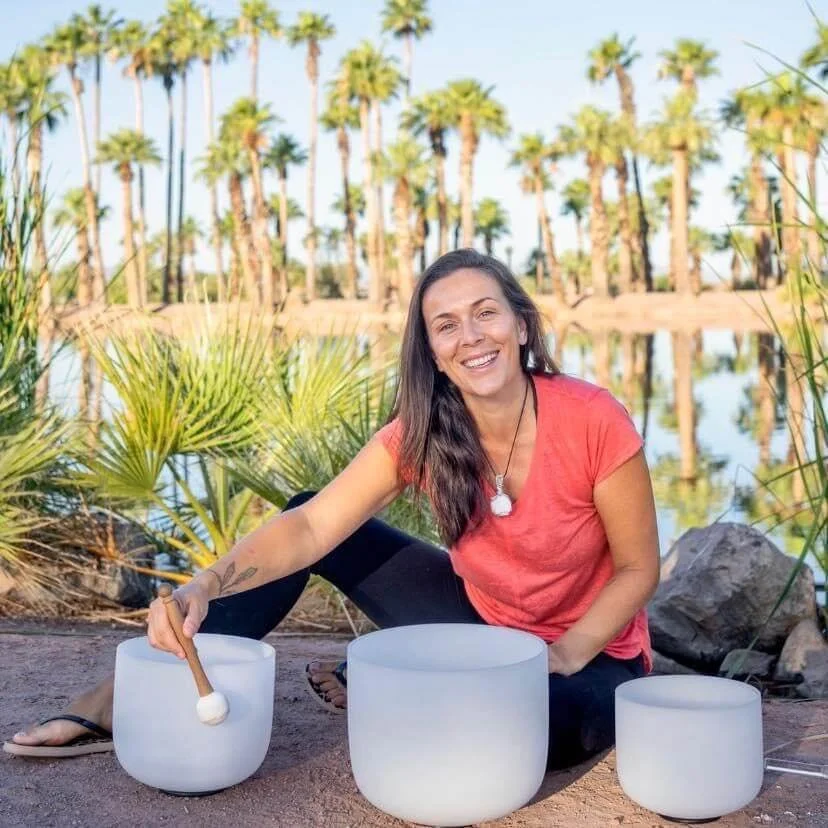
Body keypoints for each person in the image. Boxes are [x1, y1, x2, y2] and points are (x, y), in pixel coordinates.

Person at [5, 249, 660, 770]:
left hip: (588, 653)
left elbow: (638, 568)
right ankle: (126, 698)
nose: (471, 337)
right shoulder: (424, 431)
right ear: (432, 349)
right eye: (446, 324)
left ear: (520, 323)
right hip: (479, 623)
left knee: (523, 733)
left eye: (486, 312)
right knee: (307, 514)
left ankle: (405, 681)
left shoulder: (592, 419)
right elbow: (313, 527)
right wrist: (202, 585)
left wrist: (565, 653)